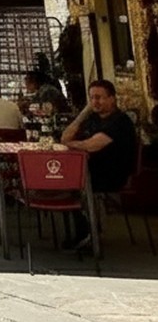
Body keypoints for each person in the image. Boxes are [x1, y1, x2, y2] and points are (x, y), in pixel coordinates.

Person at [60, 79, 139, 251]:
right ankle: (83, 233)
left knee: (77, 184)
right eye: (92, 98)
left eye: (99, 97)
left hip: (113, 174)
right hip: (92, 170)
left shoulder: (119, 121)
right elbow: (65, 138)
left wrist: (73, 144)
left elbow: (91, 145)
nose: (95, 102)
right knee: (64, 181)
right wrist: (84, 113)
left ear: (112, 98)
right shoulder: (92, 119)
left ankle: (91, 235)